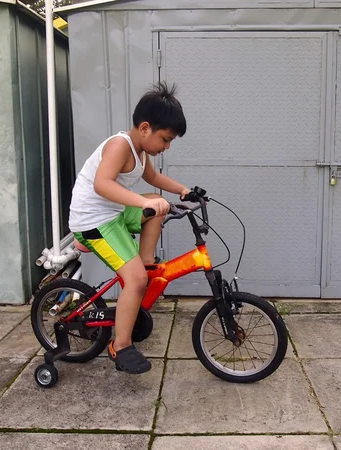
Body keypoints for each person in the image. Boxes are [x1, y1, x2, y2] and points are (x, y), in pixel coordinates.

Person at [68, 81, 190, 374]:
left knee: (158, 203)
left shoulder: (142, 152)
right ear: (145, 128)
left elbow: (155, 180)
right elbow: (102, 183)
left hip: (113, 213)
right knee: (134, 280)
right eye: (165, 139)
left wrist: (184, 191)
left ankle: (144, 263)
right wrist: (139, 202)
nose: (167, 146)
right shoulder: (119, 145)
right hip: (93, 219)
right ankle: (119, 345)